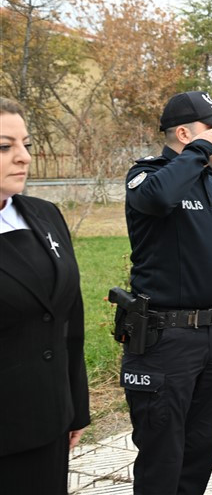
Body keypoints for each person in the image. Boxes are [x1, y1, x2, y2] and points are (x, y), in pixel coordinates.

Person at [121, 90, 212, 494]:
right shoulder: (147, 175)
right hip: (166, 341)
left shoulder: (207, 182)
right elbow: (158, 197)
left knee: (200, 449)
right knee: (163, 455)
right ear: (184, 133)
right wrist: (201, 149)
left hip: (210, 337)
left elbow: (211, 258)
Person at [0, 98, 90, 494]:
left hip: (51, 420)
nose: (23, 158)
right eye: (5, 147)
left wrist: (75, 407)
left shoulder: (43, 213)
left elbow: (69, 319)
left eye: (27, 144)